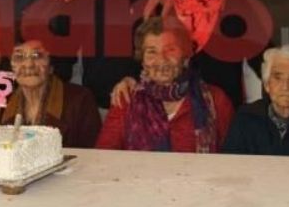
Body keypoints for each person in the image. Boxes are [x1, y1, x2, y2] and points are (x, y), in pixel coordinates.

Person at [96, 17, 233, 152]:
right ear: (142, 60)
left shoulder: (215, 100)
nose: (161, 59)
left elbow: (233, 160)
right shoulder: (126, 98)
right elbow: (103, 159)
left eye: (171, 50)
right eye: (151, 52)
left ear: (186, 55)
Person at [0, 39, 101, 148]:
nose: (28, 64)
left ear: (51, 65)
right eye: (19, 57)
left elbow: (94, 158)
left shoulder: (80, 101)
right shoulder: (1, 104)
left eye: (37, 55)